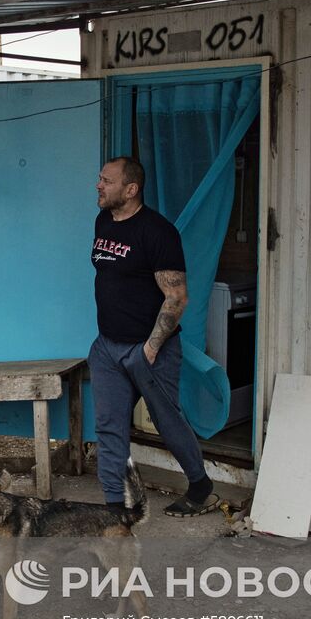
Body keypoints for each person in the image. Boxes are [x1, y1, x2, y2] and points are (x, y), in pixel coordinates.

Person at [90, 157, 221, 517]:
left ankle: (200, 486)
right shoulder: (103, 221)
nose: (99, 185)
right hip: (107, 347)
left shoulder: (158, 232)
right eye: (100, 178)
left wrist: (150, 348)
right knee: (109, 426)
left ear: (130, 190)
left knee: (167, 421)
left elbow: (177, 297)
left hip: (150, 349)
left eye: (107, 180)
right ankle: (114, 511)